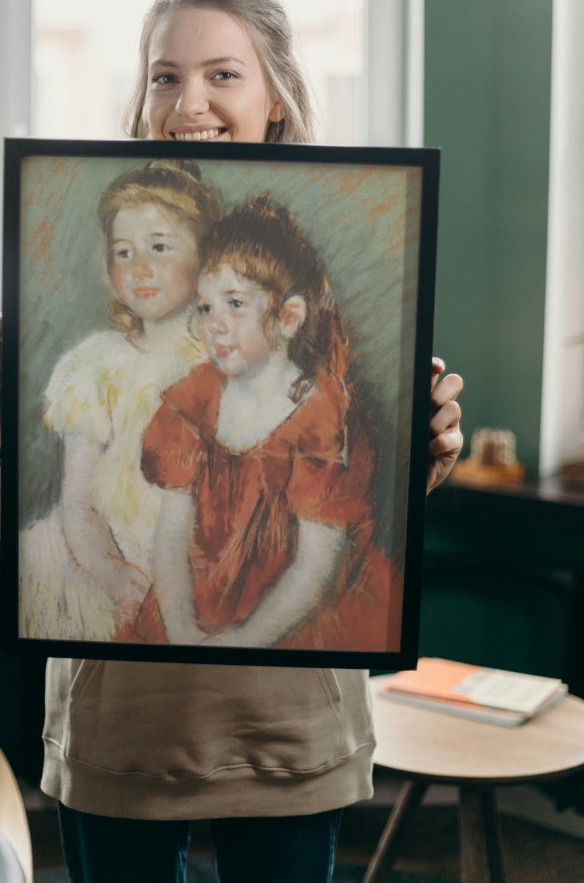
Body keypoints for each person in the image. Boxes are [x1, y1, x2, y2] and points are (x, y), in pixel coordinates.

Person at [0, 0, 464, 883]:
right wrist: (1, 437)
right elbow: (40, 529)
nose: (187, 99)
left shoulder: (310, 306)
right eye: (164, 75)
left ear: (276, 94)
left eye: (222, 74)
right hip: (123, 721)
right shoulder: (101, 343)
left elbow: (351, 511)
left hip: (284, 720)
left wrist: (424, 457)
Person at [134, 193, 401, 654]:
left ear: (288, 317)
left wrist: (243, 642)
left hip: (287, 619)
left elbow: (314, 569)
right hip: (198, 607)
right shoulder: (193, 402)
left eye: (235, 304)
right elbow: (172, 532)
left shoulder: (322, 420)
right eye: (205, 306)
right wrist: (180, 630)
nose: (214, 324)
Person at [18, 158, 223, 642]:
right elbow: (78, 506)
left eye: (159, 247)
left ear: (206, 256)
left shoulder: (228, 360)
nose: (140, 269)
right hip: (101, 562)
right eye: (123, 252)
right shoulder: (96, 367)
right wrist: (111, 574)